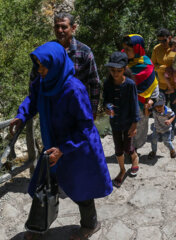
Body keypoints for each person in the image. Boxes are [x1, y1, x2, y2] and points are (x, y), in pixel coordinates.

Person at [9, 42, 112, 240]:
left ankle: (90, 224)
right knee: (44, 187)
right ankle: (39, 226)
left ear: (55, 63)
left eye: (43, 65)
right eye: (37, 65)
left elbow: (86, 127)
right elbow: (32, 100)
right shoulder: (42, 83)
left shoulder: (74, 89)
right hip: (51, 146)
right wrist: (22, 115)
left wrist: (63, 149)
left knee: (81, 189)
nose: (39, 70)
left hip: (75, 148)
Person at [52, 12, 101, 119]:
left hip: (79, 108)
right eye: (57, 27)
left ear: (73, 28)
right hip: (54, 110)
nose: (60, 30)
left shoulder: (84, 51)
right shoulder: (49, 51)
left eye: (64, 27)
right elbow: (35, 79)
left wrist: (93, 110)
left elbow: (94, 83)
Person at [103, 52, 140, 187]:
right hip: (115, 122)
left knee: (127, 146)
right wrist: (107, 107)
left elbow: (135, 104)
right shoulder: (107, 84)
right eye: (112, 70)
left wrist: (135, 124)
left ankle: (135, 157)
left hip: (128, 121)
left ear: (124, 69)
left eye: (119, 70)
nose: (115, 73)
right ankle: (122, 169)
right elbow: (106, 100)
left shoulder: (130, 85)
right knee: (118, 148)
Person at [122, 34, 159, 150]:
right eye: (124, 48)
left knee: (138, 129)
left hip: (141, 106)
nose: (125, 52)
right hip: (124, 104)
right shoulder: (122, 62)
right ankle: (127, 149)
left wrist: (152, 100)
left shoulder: (146, 65)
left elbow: (154, 85)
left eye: (128, 49)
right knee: (124, 128)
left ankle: (134, 150)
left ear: (137, 49)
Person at [151, 29, 176, 135]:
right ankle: (162, 129)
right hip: (162, 84)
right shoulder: (156, 49)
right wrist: (163, 68)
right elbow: (152, 65)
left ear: (170, 38)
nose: (162, 43)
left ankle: (171, 130)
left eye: (164, 40)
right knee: (161, 108)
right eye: (160, 41)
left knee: (174, 106)